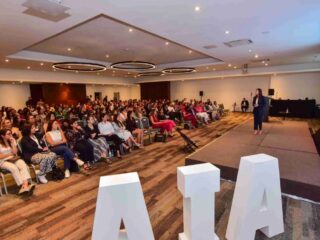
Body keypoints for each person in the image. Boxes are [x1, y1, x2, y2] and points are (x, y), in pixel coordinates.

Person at [0, 129, 35, 195]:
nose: (10, 135)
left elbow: (15, 152)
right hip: (2, 161)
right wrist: (9, 154)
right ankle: (24, 185)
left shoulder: (11, 141)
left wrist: (13, 143)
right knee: (14, 168)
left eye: (10, 133)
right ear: (2, 136)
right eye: (8, 134)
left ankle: (25, 186)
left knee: (22, 164)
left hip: (13, 158)